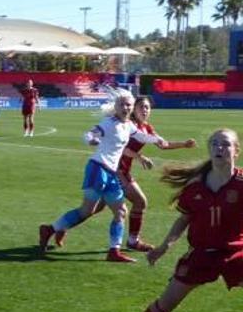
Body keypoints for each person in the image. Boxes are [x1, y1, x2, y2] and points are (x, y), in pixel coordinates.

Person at [108, 129, 243, 312]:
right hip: (201, 254)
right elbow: (184, 219)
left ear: (236, 151)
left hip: (235, 251)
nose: (220, 148)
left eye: (226, 144)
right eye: (215, 144)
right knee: (166, 303)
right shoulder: (194, 187)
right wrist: (163, 247)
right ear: (209, 149)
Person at [55, 96, 197, 251]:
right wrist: (139, 156)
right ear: (134, 109)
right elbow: (122, 148)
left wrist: (183, 144)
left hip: (121, 171)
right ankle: (132, 241)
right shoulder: (127, 125)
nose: (145, 110)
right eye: (141, 106)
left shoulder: (145, 128)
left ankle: (61, 227)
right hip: (116, 170)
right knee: (139, 202)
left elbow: (163, 144)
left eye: (147, 107)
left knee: (93, 209)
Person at [38, 90, 166, 262]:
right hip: (98, 169)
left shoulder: (129, 125)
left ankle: (114, 251)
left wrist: (156, 140)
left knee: (120, 212)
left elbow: (141, 135)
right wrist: (91, 140)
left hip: (112, 173)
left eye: (128, 104)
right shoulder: (108, 123)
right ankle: (51, 229)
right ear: (116, 106)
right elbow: (89, 134)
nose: (126, 108)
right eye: (122, 104)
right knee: (87, 210)